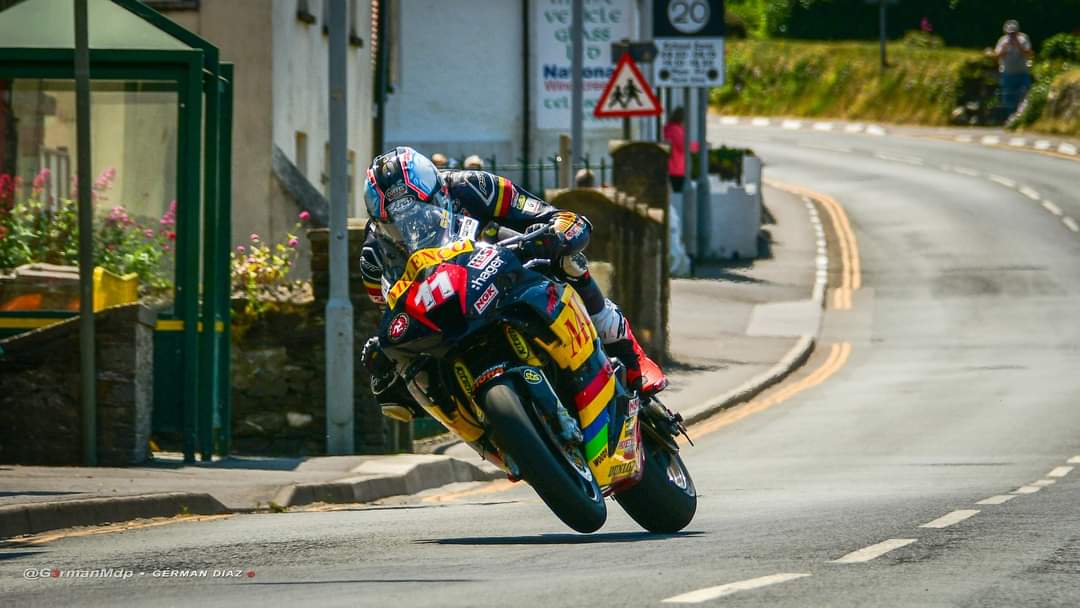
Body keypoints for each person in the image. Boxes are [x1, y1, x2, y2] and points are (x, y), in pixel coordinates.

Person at [359, 147, 667, 407]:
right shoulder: (374, 255)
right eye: (397, 224)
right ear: (380, 223)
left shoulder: (474, 186)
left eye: (419, 213)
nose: (411, 227)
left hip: (504, 266)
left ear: (437, 193)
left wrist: (555, 232)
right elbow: (389, 307)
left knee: (569, 261)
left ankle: (630, 354)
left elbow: (545, 214)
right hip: (446, 306)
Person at [994, 20, 1034, 119]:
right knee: (1008, 96)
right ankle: (1010, 117)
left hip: (1022, 73)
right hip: (1008, 73)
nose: (1011, 35)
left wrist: (1018, 45)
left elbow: (1028, 54)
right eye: (1009, 33)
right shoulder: (1003, 41)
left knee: (1025, 94)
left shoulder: (1023, 39)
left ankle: (1023, 116)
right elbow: (997, 55)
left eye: (1013, 33)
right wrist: (1005, 48)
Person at [662, 107, 698, 193]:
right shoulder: (676, 130)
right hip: (677, 168)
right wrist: (699, 146)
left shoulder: (670, 129)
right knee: (680, 195)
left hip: (673, 167)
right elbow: (684, 146)